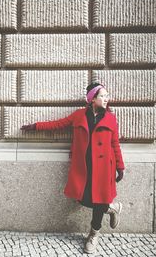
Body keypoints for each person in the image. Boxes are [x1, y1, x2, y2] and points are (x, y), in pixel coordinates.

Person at [20, 82, 125, 254]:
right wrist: (36, 126)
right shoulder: (79, 115)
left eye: (107, 96)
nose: (106, 99)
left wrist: (120, 166)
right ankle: (113, 209)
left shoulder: (111, 118)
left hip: (105, 168)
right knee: (83, 199)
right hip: (83, 167)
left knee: (99, 202)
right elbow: (58, 124)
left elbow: (115, 143)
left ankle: (93, 234)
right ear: (92, 99)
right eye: (102, 96)